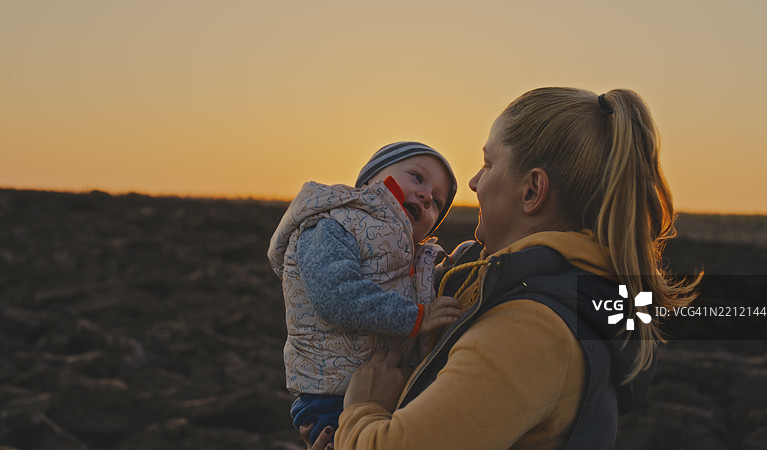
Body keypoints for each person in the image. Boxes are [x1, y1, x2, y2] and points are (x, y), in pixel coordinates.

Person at [306, 88, 700, 449]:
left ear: (532, 191)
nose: (476, 182)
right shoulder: (540, 290)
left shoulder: (530, 331)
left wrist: (360, 411)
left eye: (489, 162)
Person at [268, 142, 463, 444]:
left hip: (383, 389)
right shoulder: (332, 225)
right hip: (333, 394)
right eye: (416, 177)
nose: (426, 196)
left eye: (437, 202)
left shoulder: (409, 255)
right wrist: (416, 318)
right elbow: (336, 295)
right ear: (369, 181)